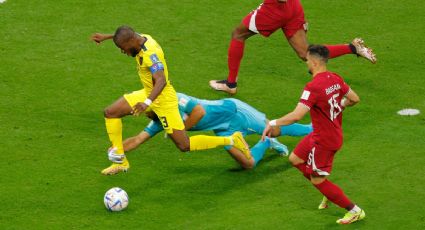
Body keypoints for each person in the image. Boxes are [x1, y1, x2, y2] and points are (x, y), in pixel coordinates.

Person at [91, 26, 251, 175]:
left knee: (184, 145)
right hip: (148, 93)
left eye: (123, 48)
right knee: (110, 112)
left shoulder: (150, 55)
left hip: (163, 100)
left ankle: (232, 139)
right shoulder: (138, 38)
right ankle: (121, 161)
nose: (123, 52)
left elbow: (161, 80)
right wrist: (107, 37)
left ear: (130, 42)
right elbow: (125, 33)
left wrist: (147, 103)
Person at [262, 45, 364, 224]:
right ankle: (328, 191)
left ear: (315, 62)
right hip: (324, 133)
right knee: (295, 159)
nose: (307, 63)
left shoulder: (313, 87)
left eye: (307, 60)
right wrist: (340, 106)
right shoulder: (335, 78)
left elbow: (296, 116)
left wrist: (272, 123)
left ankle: (354, 211)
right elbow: (354, 99)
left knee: (318, 180)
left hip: (325, 140)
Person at [209, 0, 377, 95]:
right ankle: (352, 48)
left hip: (275, 9)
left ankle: (230, 84)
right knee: (306, 53)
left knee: (238, 34)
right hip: (292, 6)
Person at [117, 90, 312, 169]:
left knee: (274, 128)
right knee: (248, 164)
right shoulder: (160, 121)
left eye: (146, 112)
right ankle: (266, 143)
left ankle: (312, 129)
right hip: (223, 130)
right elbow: (137, 139)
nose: (146, 115)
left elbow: (199, 112)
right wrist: (116, 149)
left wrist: (181, 130)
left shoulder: (174, 99)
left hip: (234, 112)